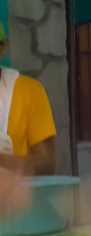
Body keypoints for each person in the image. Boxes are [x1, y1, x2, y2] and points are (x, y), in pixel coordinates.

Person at [0, 21, 56, 175]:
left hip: (14, 198)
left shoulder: (29, 91)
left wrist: (2, 160)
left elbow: (47, 163)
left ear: (3, 47)